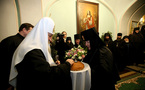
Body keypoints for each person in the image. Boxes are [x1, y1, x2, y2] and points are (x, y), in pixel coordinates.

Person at [9, 17, 74, 90]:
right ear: (41, 33)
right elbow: (47, 74)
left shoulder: (32, 46)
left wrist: (54, 64)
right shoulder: (32, 50)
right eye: (49, 36)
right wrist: (67, 64)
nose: (50, 39)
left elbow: (41, 66)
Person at [0, 23, 33, 90]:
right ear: (24, 29)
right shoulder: (21, 43)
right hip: (10, 74)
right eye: (30, 31)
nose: (31, 34)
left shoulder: (7, 39)